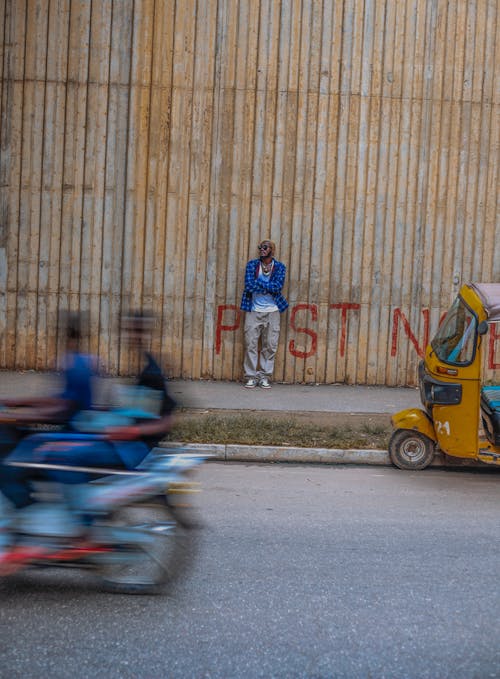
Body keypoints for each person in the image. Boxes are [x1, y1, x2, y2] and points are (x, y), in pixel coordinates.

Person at [240, 239, 288, 388]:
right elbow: (249, 285)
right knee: (250, 344)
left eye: (265, 247)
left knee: (270, 345)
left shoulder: (279, 267)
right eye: (260, 247)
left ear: (271, 250)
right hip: (254, 310)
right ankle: (251, 376)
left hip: (273, 311)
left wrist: (260, 284)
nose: (261, 249)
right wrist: (268, 286)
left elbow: (277, 287)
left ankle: (265, 376)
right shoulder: (252, 265)